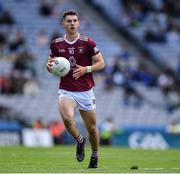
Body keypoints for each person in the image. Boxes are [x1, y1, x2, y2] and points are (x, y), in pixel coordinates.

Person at [46, 10, 105, 168]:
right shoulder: (56, 43)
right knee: (67, 119)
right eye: (69, 21)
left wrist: (86, 69)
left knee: (92, 128)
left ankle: (95, 155)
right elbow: (49, 64)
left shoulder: (87, 42)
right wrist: (49, 67)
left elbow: (101, 63)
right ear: (63, 24)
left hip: (85, 91)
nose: (72, 23)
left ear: (78, 23)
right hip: (66, 90)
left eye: (74, 21)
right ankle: (80, 141)